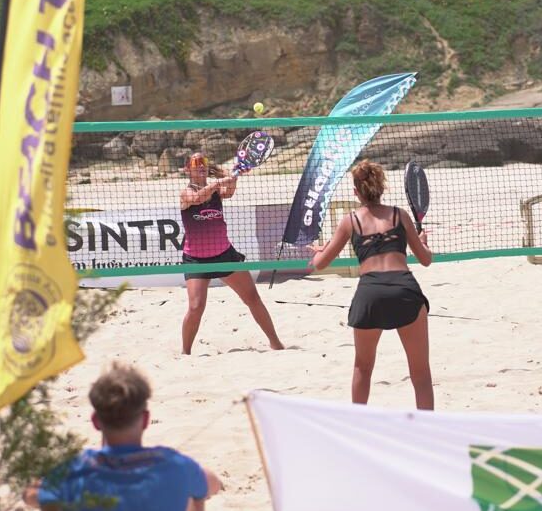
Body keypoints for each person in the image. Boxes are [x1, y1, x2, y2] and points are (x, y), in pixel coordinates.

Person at [27, 362, 222, 511]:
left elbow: (30, 495)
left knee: (50, 500)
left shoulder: (74, 470)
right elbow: (213, 483)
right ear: (145, 420)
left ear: (95, 421)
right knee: (196, 495)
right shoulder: (174, 465)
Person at [308, 160, 434, 410]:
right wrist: (423, 242)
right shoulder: (400, 215)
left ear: (356, 191)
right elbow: (426, 260)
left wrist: (318, 253)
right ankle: (426, 429)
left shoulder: (350, 221)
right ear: (382, 188)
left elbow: (320, 264)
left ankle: (358, 425)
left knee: (363, 368)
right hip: (404, 289)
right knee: (420, 374)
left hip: (371, 293)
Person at [179, 151, 284, 355]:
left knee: (252, 298)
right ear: (187, 169)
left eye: (204, 162)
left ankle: (275, 343)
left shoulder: (216, 192)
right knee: (195, 308)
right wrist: (219, 182)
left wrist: (233, 179)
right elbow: (198, 198)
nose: (201, 165)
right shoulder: (186, 193)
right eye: (196, 162)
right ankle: (185, 352)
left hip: (224, 255)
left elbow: (229, 191)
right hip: (196, 260)